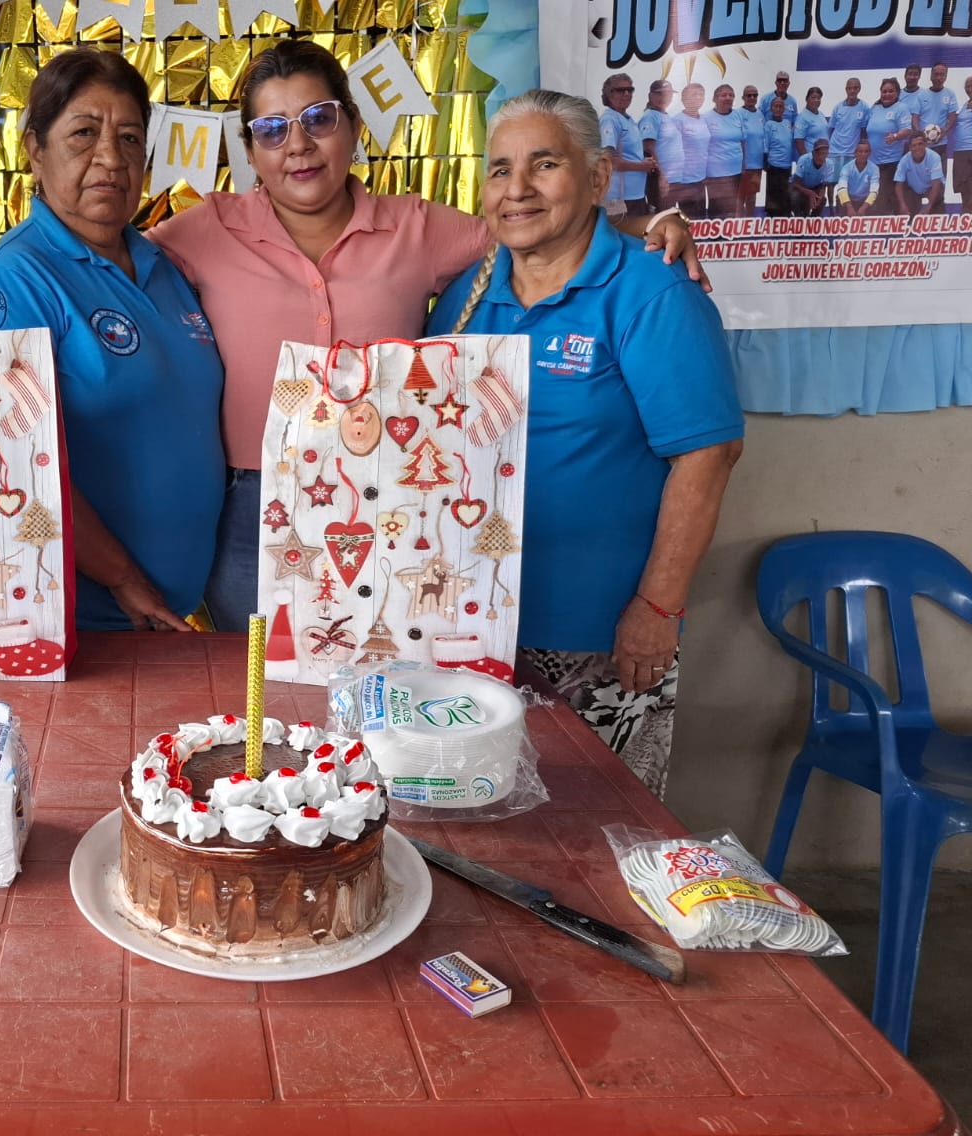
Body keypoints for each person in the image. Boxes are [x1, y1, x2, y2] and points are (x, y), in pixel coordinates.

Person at [146, 41, 702, 631]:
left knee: (380, 668)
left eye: (318, 119)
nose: (298, 144)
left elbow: (535, 224)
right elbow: (110, 265)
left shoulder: (417, 227)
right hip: (255, 506)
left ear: (353, 126)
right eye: (272, 130)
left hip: (395, 498)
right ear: (250, 150)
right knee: (262, 672)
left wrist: (650, 223)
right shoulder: (205, 231)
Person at [425, 89, 743, 794]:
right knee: (486, 825)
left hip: (601, 634)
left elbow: (709, 454)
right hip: (472, 632)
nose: (518, 189)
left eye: (544, 165)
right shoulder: (467, 299)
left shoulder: (650, 290)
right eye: (501, 170)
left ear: (598, 177)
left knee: (602, 829)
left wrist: (657, 608)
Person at [0, 50, 224, 632]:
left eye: (130, 138)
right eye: (83, 133)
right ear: (34, 149)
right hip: (78, 618)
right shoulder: (12, 282)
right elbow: (5, 461)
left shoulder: (162, 265)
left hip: (165, 616)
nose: (111, 158)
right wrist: (120, 576)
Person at [598, 73, 654, 217]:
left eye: (630, 90)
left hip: (635, 196)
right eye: (620, 90)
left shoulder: (628, 119)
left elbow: (629, 155)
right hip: (620, 199)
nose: (627, 94)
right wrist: (641, 166)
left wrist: (644, 162)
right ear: (609, 94)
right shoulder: (610, 119)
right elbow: (608, 161)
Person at [864, 77, 913, 215]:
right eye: (884, 91)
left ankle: (896, 225)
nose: (887, 94)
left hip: (892, 162)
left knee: (888, 199)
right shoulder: (874, 108)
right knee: (876, 199)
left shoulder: (901, 108)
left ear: (897, 93)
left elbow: (907, 130)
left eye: (891, 91)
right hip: (873, 163)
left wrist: (895, 136)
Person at [702, 84, 746, 217]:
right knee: (717, 209)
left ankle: (729, 230)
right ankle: (716, 231)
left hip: (736, 171)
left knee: (732, 208)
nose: (728, 98)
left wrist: (743, 165)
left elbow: (742, 141)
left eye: (731, 95)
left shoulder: (737, 115)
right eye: (724, 95)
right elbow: (702, 146)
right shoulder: (706, 118)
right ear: (715, 98)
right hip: (715, 174)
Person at [639, 80, 681, 211]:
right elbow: (648, 148)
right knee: (661, 217)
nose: (664, 98)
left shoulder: (665, 115)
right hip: (660, 179)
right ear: (650, 96)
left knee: (670, 215)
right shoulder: (650, 116)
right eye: (659, 94)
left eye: (668, 94)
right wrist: (661, 177)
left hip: (672, 179)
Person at [669, 83, 711, 213]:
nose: (698, 97)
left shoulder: (704, 119)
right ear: (683, 99)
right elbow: (671, 151)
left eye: (701, 95)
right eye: (694, 94)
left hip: (701, 178)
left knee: (700, 217)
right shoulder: (677, 121)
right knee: (688, 219)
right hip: (685, 181)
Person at [895, 131, 946, 215]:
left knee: (939, 188)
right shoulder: (904, 160)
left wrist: (928, 207)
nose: (917, 148)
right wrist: (902, 205)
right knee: (907, 208)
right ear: (910, 148)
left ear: (925, 144)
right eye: (914, 145)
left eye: (920, 144)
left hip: (932, 188)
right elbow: (898, 185)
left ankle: (936, 214)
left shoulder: (934, 157)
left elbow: (936, 184)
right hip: (914, 189)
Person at [918, 63, 958, 160]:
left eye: (942, 75)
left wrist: (944, 131)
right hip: (923, 144)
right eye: (936, 74)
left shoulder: (950, 94)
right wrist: (920, 132)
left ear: (946, 76)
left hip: (941, 143)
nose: (939, 78)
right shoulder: (922, 94)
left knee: (940, 170)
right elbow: (915, 117)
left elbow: (952, 116)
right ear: (931, 76)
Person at [764, 95, 795, 217]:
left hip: (787, 166)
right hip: (774, 166)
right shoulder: (768, 125)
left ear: (784, 109)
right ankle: (772, 218)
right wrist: (766, 163)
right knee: (773, 199)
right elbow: (765, 145)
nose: (778, 109)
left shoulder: (787, 123)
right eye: (775, 106)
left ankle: (785, 217)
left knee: (786, 196)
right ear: (771, 108)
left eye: (780, 106)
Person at [827, 77, 871, 166]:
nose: (852, 91)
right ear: (846, 89)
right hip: (834, 152)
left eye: (855, 88)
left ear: (859, 89)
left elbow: (863, 132)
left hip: (852, 153)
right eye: (849, 88)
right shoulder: (838, 107)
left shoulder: (864, 107)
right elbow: (830, 129)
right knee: (833, 176)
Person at [738, 84, 767, 215]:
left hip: (757, 164)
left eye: (755, 95)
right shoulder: (738, 114)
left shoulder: (760, 114)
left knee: (752, 196)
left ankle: (749, 222)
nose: (752, 98)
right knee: (740, 197)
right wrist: (742, 162)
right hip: (743, 164)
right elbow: (738, 139)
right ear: (743, 97)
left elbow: (764, 138)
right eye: (749, 95)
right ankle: (738, 224)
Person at [789, 139, 836, 215]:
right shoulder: (803, 159)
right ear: (813, 153)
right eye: (820, 153)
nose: (822, 157)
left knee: (822, 200)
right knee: (794, 197)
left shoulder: (829, 164)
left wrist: (819, 198)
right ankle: (799, 217)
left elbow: (823, 186)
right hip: (800, 187)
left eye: (825, 153)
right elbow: (795, 184)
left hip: (815, 187)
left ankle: (813, 219)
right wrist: (810, 193)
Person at [837, 141, 880, 215]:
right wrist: (849, 208)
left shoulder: (874, 169)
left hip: (865, 201)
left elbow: (874, 191)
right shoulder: (846, 168)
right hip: (849, 200)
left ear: (869, 153)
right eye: (860, 151)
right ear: (855, 153)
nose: (863, 154)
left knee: (875, 203)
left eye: (866, 151)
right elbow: (842, 188)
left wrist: (863, 208)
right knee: (840, 198)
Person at [794, 86, 829, 158]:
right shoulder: (802, 117)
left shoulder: (820, 114)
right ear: (806, 99)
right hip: (811, 158)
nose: (816, 100)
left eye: (818, 98)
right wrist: (806, 159)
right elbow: (799, 141)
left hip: (822, 158)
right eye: (813, 97)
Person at [954, 78, 972, 211]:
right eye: (967, 86)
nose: (970, 89)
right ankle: (967, 215)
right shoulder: (965, 104)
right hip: (960, 151)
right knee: (963, 187)